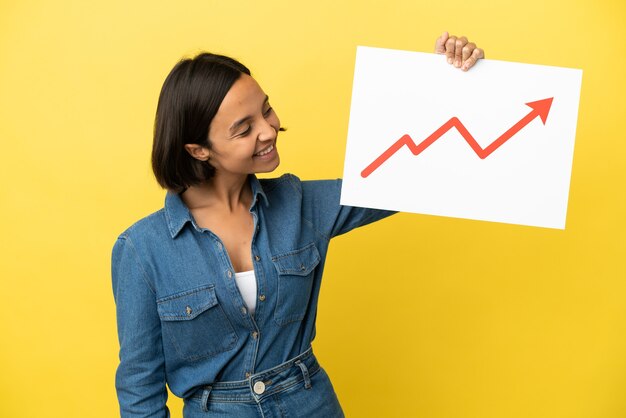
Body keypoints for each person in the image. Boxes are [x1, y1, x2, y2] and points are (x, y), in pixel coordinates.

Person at [112, 32, 484, 418]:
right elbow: (140, 388)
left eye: (266, 110)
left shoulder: (301, 204)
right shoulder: (141, 250)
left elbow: (412, 178)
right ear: (198, 150)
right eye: (244, 128)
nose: (269, 130)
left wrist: (451, 82)